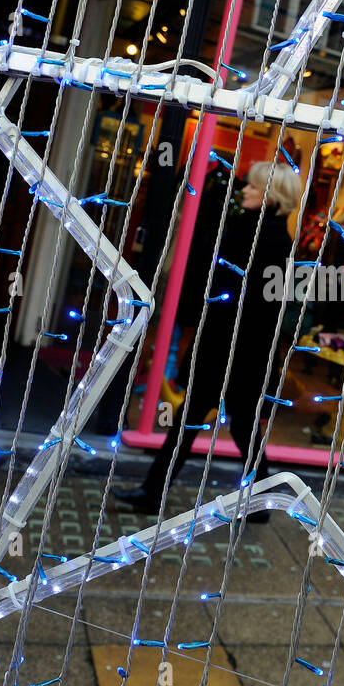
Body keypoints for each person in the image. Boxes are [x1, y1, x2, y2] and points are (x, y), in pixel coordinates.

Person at [117, 160, 303, 520]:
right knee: (218, 421)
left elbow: (264, 308)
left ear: (271, 196)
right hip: (227, 343)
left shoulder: (272, 240)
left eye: (253, 187)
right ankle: (250, 501)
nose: (244, 190)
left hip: (239, 349)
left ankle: (158, 493)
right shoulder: (250, 229)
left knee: (222, 421)